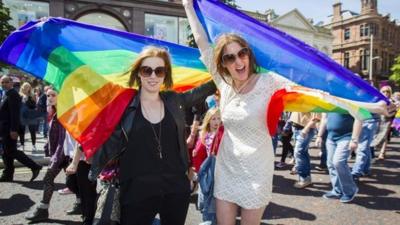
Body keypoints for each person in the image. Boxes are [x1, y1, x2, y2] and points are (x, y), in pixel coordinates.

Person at [183, 1, 293, 224]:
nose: (238, 60)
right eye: (229, 57)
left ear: (249, 55)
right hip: (227, 168)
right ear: (223, 65)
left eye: (241, 53)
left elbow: (316, 91)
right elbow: (203, 42)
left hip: (257, 171)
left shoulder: (269, 82)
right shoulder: (223, 84)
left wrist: (369, 104)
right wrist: (187, 5)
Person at [89, 46, 217, 225]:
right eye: (146, 70)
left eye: (159, 71)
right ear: (138, 73)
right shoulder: (123, 105)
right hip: (135, 189)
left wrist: (228, 64)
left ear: (166, 74)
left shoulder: (174, 100)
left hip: (175, 188)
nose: (153, 76)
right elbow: (86, 82)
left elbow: (210, 86)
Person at [25, 88, 75, 222]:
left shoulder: (65, 113)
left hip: (65, 154)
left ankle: (42, 209)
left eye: (53, 95)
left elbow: (63, 138)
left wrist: (56, 157)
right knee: (74, 182)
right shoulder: (54, 111)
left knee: (49, 179)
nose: (50, 98)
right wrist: (47, 147)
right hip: (61, 154)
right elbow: (53, 134)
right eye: (48, 95)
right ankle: (81, 203)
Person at [0, 76, 42, 182]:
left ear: (11, 83)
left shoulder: (13, 94)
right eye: (2, 82)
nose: (4, 84)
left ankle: (34, 166)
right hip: (5, 129)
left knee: (11, 151)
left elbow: (15, 114)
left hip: (10, 129)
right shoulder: (7, 94)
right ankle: (8, 174)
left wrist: (14, 130)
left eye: (6, 82)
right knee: (6, 152)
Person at [316, 113, 362, 203]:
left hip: (346, 137)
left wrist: (354, 139)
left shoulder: (349, 100)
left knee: (338, 162)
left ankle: (350, 190)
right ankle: (337, 191)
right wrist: (319, 136)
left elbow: (359, 118)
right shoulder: (328, 102)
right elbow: (324, 119)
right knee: (330, 164)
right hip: (330, 137)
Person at [19, 82, 40, 151]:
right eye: (25, 87)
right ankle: (22, 145)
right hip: (22, 115)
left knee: (32, 131)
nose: (26, 88)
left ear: (30, 88)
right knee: (22, 131)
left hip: (31, 115)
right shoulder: (19, 95)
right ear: (22, 87)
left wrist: (27, 99)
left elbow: (34, 105)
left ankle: (33, 145)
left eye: (28, 87)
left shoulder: (32, 95)